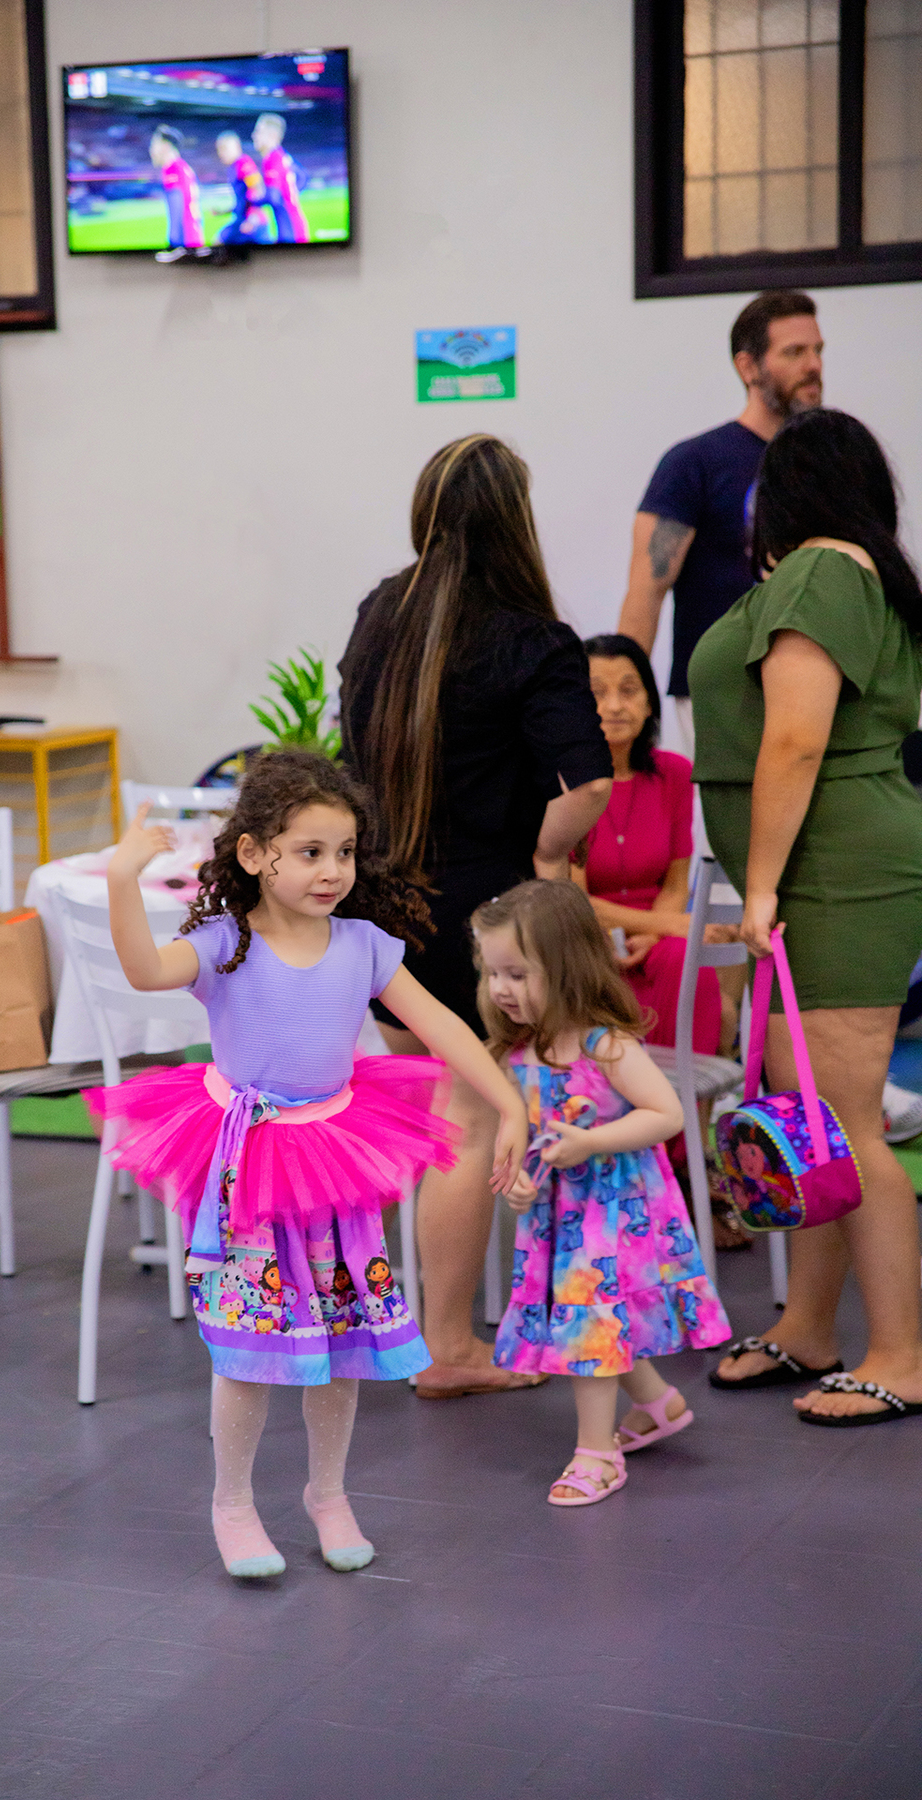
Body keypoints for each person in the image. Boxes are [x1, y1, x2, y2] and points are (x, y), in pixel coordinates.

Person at [88, 751, 531, 1579]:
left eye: (346, 852)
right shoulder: (223, 942)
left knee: (345, 1342)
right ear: (255, 854)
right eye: (312, 852)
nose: (334, 871)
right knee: (249, 1352)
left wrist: (508, 1103)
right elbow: (146, 971)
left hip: (332, 1164)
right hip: (248, 1172)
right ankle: (232, 1502)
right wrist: (123, 877)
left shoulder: (363, 946)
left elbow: (442, 1028)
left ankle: (327, 1492)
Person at [339, 434, 612, 1400]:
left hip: (379, 904)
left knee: (435, 1114)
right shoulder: (532, 638)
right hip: (476, 911)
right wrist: (546, 858)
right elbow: (587, 783)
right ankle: (448, 1345)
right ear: (516, 521)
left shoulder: (383, 613)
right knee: (459, 1119)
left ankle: (437, 1327)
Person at [689, 408, 922, 1425]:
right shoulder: (841, 569)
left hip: (835, 871)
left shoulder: (823, 571)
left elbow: (793, 742)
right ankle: (807, 1328)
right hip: (821, 864)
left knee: (850, 1121)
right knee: (814, 1123)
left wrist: (767, 887)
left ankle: (904, 1355)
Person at [478, 881, 730, 1505]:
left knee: (590, 1325)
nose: (501, 989)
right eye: (492, 973)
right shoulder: (519, 1051)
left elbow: (667, 1113)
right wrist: (520, 1183)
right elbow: (529, 1131)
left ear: (565, 970)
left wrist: (593, 1143)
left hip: (617, 1211)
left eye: (517, 973)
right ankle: (657, 1403)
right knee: (594, 1320)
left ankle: (598, 1454)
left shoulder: (604, 1044)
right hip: (561, 1212)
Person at [573, 634, 749, 1249]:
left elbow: (679, 874)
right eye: (597, 693)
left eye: (629, 689)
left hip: (659, 929)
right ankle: (636, 1177)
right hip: (590, 941)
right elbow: (573, 899)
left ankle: (685, 1169)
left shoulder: (673, 773)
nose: (614, 705)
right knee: (671, 953)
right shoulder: (569, 781)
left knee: (687, 965)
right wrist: (665, 927)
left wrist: (661, 927)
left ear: (650, 701)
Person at [619, 289, 824, 758]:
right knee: (739, 831)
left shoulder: (825, 463)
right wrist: (623, 700)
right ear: (748, 367)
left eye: (817, 350)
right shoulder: (696, 462)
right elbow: (646, 590)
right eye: (794, 352)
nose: (812, 365)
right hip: (724, 691)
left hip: (815, 680)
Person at [252, 113, 310, 243]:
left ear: (272, 136)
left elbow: (273, 197)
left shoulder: (273, 159)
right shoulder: (282, 156)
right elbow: (304, 178)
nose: (254, 135)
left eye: (258, 131)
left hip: (289, 229)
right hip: (294, 225)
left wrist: (252, 201)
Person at [149, 126, 205, 260]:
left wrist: (173, 245)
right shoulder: (180, 167)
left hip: (185, 244)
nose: (151, 150)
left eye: (153, 145)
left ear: (165, 146)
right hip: (191, 240)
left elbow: (177, 209)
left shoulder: (173, 170)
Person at [214, 131, 274, 244]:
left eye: (225, 148)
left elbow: (257, 190)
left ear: (237, 147)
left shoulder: (244, 163)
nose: (221, 153)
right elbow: (243, 200)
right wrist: (224, 211)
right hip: (242, 221)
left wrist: (253, 219)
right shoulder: (233, 167)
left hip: (253, 224)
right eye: (219, 149)